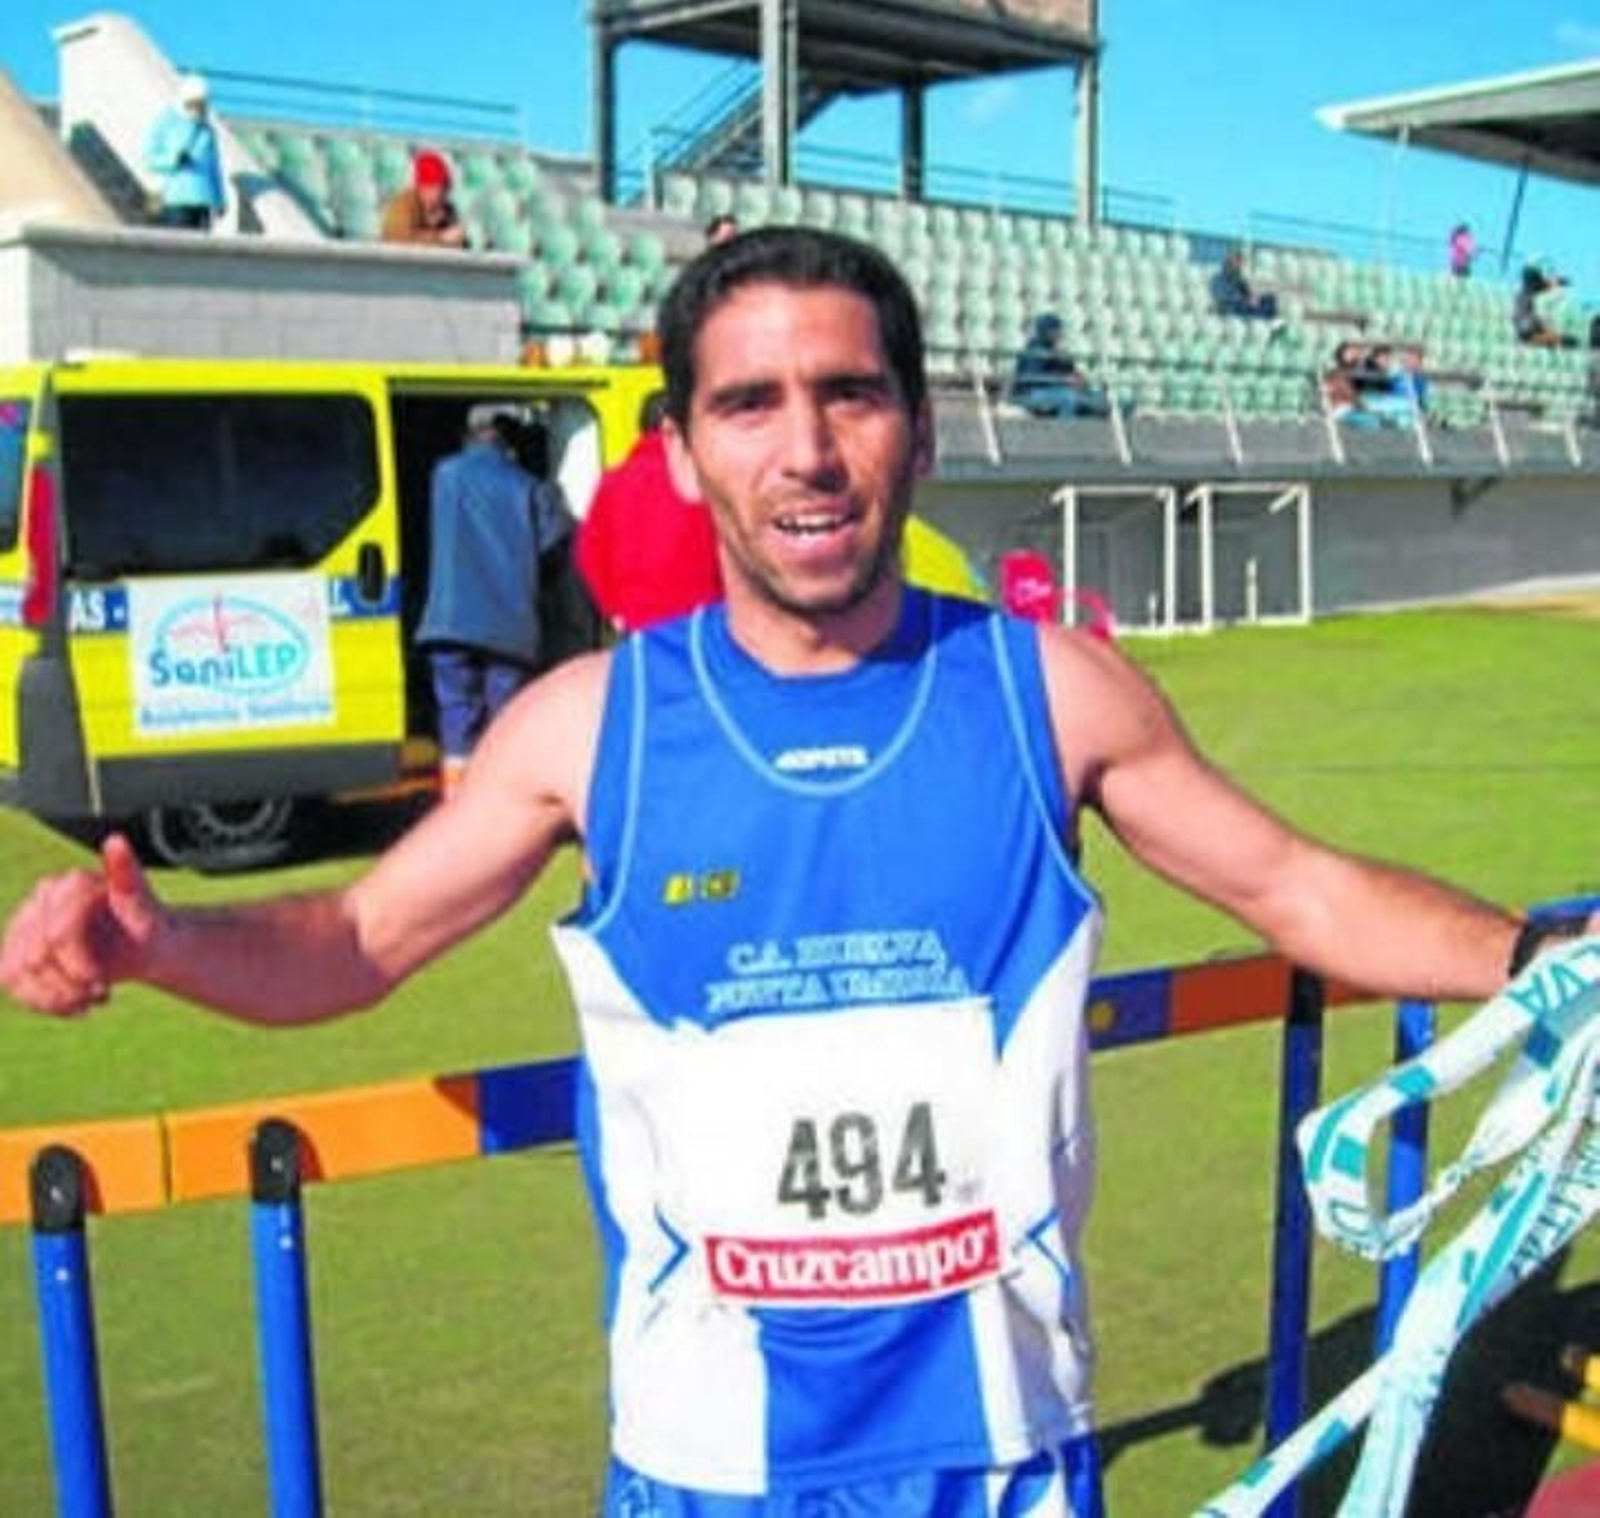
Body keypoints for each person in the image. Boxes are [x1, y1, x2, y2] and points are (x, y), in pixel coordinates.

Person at [4, 227, 1595, 1518]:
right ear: (684, 452)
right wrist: (154, 942)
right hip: (707, 1464)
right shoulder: (589, 726)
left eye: (850, 392)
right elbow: (355, 933)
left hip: (1008, 1454)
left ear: (918, 418)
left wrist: (1541, 955)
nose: (810, 449)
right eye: (750, 403)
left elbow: (1300, 890)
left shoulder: (1054, 692)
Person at [416, 403, 568, 794]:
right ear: (509, 448)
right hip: (509, 629)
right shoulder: (529, 487)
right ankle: (501, 806)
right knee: (506, 725)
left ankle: (457, 809)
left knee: (456, 726)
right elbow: (554, 550)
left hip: (447, 623)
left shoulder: (443, 475)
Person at [575, 391, 723, 632]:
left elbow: (589, 552)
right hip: (705, 618)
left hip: (638, 620)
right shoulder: (707, 478)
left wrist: (614, 608)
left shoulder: (614, 482)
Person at [143, 73, 226, 231]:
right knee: (177, 247)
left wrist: (220, 200)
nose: (197, 108)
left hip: (203, 199)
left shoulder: (208, 130)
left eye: (201, 104)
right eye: (193, 103)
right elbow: (148, 157)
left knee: (200, 251)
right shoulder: (166, 121)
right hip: (175, 199)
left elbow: (214, 169)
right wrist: (173, 159)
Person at [1009, 312, 1112, 419]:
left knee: (1098, 400)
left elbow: (1071, 371)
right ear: (1044, 330)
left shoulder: (1056, 350)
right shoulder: (1033, 349)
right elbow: (1033, 380)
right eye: (1054, 330)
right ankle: (1066, 433)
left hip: (1059, 390)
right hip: (1030, 393)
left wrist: (1079, 379)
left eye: (1058, 329)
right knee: (1068, 399)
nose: (1058, 333)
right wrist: (1064, 381)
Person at [381, 149, 466, 247]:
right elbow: (397, 238)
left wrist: (459, 239)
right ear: (424, 187)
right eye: (439, 188)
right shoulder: (403, 205)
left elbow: (461, 243)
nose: (443, 195)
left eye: (445, 189)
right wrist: (440, 237)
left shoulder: (447, 209)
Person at [1514, 263, 1577, 348]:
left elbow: (1546, 284)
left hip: (1534, 330)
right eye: (1537, 278)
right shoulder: (1524, 296)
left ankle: (1554, 340)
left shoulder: (1529, 290)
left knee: (1568, 340)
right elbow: (1526, 335)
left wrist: (1560, 281)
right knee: (1568, 341)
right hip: (1528, 334)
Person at [1210, 247, 1279, 322]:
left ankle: (1271, 321)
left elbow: (1246, 290)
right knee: (1255, 308)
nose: (1239, 266)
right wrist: (1245, 300)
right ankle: (1266, 320)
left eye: (1240, 264)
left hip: (1244, 304)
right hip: (1232, 307)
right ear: (1229, 263)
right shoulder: (1219, 279)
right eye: (1237, 263)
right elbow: (1224, 296)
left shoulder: (1238, 277)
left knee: (1269, 298)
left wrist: (1253, 297)